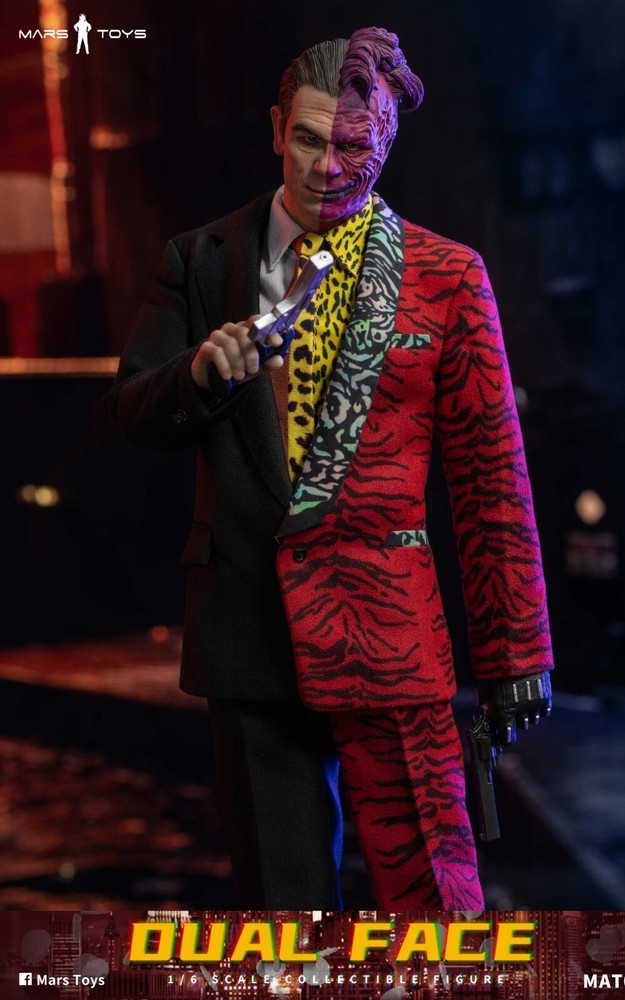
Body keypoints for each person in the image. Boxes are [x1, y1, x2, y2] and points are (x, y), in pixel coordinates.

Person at [106, 26, 554, 910]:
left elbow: (489, 477)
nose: (327, 167)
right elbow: (133, 413)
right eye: (309, 139)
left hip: (389, 630)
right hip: (245, 628)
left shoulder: (447, 276)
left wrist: (514, 653)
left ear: (387, 139)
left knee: (433, 906)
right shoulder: (200, 260)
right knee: (284, 920)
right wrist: (199, 375)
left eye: (354, 146)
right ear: (276, 127)